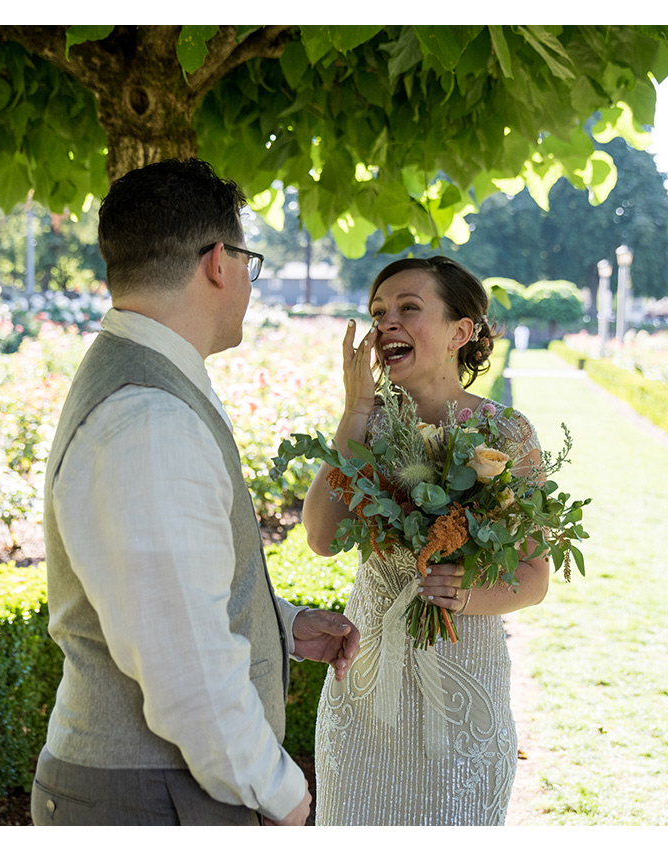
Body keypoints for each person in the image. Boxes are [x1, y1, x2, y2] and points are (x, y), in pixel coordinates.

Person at [31, 158, 360, 826]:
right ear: (219, 262)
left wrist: (283, 622)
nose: (248, 282)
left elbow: (170, 592)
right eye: (250, 261)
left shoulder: (149, 391)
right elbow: (184, 668)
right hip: (153, 799)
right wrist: (283, 791)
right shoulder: (149, 419)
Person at [301, 256, 552, 825]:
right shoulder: (369, 424)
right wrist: (356, 409)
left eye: (409, 308)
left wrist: (464, 595)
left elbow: (534, 580)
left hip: (464, 682)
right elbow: (319, 537)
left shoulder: (508, 435)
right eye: (378, 312)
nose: (387, 322)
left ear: (461, 332)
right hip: (365, 686)